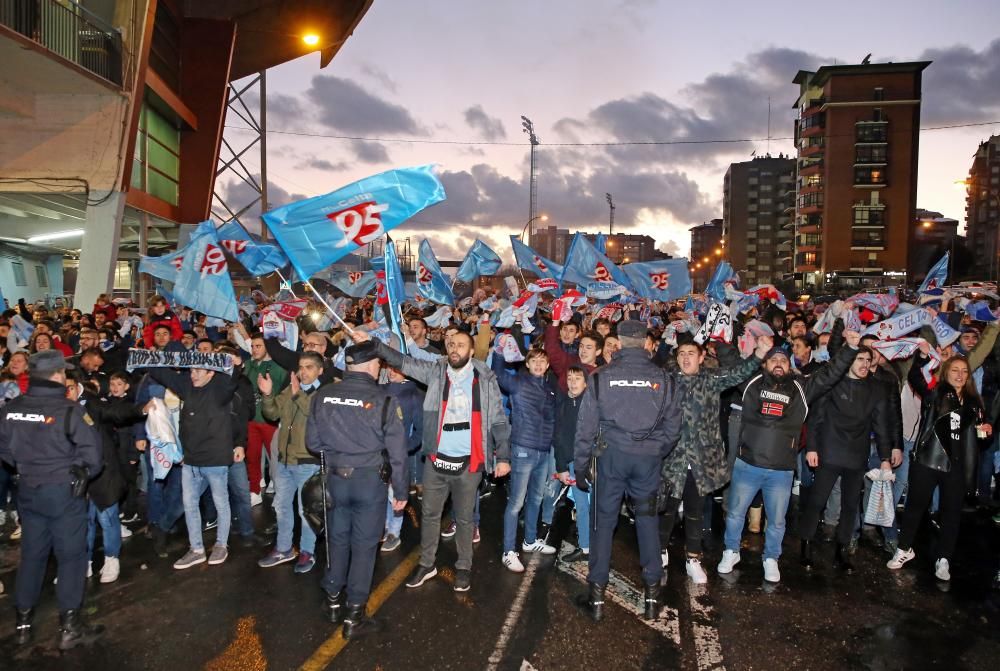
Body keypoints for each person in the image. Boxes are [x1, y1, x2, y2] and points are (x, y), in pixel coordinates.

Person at [355, 329, 511, 593]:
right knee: (429, 514)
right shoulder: (436, 371)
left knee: (463, 518)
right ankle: (427, 564)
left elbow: (497, 419)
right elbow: (403, 362)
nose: (454, 348)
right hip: (437, 458)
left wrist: (503, 457)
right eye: (451, 344)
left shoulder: (484, 378)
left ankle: (464, 567)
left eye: (461, 345)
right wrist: (374, 345)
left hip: (468, 462)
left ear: (472, 351)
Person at [717, 327, 860, 583]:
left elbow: (830, 374)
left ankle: (771, 558)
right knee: (736, 513)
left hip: (781, 469)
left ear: (790, 364)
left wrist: (849, 349)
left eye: (784, 359)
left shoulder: (802, 387)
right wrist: (720, 338)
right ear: (764, 364)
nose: (779, 364)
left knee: (777, 520)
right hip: (747, 464)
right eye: (773, 359)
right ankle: (731, 551)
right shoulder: (750, 382)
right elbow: (730, 361)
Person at [574, 320, 683, 622]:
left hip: (611, 458)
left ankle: (596, 597)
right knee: (647, 522)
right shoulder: (665, 378)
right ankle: (651, 595)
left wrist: (582, 466)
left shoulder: (601, 377)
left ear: (619, 341)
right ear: (646, 343)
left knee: (603, 523)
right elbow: (674, 427)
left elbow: (585, 428)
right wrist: (655, 449)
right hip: (647, 460)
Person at [0, 350, 104, 648]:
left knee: (32, 555)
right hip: (63, 492)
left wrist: (25, 468)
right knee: (71, 557)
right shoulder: (69, 410)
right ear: (58, 375)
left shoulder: (11, 408)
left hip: (29, 490)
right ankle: (70, 628)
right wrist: (74, 474)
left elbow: (5, 451)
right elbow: (93, 457)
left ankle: (22, 624)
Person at [305, 342, 408, 638]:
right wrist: (401, 492)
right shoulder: (385, 399)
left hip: (336, 479)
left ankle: (333, 600)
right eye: (378, 364)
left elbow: (313, 443)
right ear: (371, 366)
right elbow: (398, 453)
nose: (380, 369)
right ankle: (354, 615)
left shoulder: (323, 395)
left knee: (337, 540)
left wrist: (339, 452)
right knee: (364, 547)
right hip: (369, 482)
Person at [660, 337, 769, 584]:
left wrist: (759, 354)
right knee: (666, 509)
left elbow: (737, 372)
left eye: (691, 353)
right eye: (681, 354)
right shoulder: (668, 382)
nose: (686, 357)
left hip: (701, 460)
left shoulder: (711, 379)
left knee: (695, 511)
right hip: (672, 459)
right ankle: (660, 551)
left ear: (701, 358)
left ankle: (693, 559)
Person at [888, 350, 992, 581]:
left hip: (956, 467)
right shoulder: (936, 394)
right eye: (955, 370)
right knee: (915, 507)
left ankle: (944, 559)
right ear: (946, 373)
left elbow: (979, 441)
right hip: (928, 460)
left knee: (951, 514)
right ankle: (904, 549)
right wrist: (923, 357)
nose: (960, 374)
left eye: (964, 371)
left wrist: (986, 433)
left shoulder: (975, 404)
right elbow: (916, 377)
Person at [798, 346, 896, 573]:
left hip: (857, 453)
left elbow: (882, 425)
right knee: (817, 502)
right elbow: (816, 417)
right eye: (859, 358)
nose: (864, 363)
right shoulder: (833, 383)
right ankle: (806, 544)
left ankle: (842, 550)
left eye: (867, 359)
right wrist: (812, 448)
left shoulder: (876, 389)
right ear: (849, 361)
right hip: (830, 450)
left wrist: (884, 457)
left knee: (851, 505)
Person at [146, 358, 240, 569]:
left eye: (199, 371)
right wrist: (146, 359)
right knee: (189, 506)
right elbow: (165, 375)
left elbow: (234, 377)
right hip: (190, 461)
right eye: (192, 370)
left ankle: (221, 545)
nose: (193, 374)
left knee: (221, 504)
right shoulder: (187, 387)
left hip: (215, 461)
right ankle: (196, 549)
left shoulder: (220, 390)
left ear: (211, 374)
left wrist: (237, 363)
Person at [493, 347, 559, 573]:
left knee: (536, 499)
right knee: (516, 503)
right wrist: (500, 351)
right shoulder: (518, 382)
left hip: (543, 451)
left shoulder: (550, 389)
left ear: (548, 365)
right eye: (535, 361)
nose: (539, 365)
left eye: (543, 361)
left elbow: (552, 420)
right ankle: (508, 551)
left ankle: (530, 541)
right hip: (523, 449)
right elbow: (498, 373)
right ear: (528, 364)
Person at [258, 352, 325, 573]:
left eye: (309, 367)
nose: (303, 371)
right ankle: (284, 548)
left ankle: (307, 551)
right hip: (284, 461)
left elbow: (316, 416)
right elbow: (272, 413)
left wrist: (297, 394)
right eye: (301, 366)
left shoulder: (323, 393)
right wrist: (267, 395)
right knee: (282, 508)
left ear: (319, 371)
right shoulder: (291, 389)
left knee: (305, 512)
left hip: (307, 462)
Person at [243, 333, 288, 506]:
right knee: (252, 457)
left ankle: (280, 492)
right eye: (253, 346)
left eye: (258, 346)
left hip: (271, 421)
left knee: (276, 462)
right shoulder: (247, 365)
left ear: (267, 347)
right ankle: (254, 490)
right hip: (251, 419)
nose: (254, 349)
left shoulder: (278, 368)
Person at [554, 366, 591, 562]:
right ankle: (585, 548)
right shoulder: (562, 404)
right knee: (582, 506)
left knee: (600, 508)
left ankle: (599, 548)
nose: (573, 381)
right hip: (573, 465)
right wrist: (561, 467)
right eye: (570, 377)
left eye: (578, 378)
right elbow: (558, 437)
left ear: (585, 382)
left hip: (595, 464)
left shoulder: (593, 404)